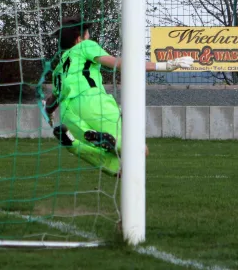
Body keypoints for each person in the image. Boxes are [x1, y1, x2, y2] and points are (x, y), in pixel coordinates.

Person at [44, 16, 193, 176]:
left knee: (122, 170)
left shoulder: (59, 68)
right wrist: (165, 65)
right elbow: (120, 64)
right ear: (80, 38)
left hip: (68, 115)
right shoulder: (86, 46)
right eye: (87, 34)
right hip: (93, 103)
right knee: (140, 151)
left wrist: (49, 113)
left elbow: (52, 101)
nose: (89, 37)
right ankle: (96, 142)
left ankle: (73, 144)